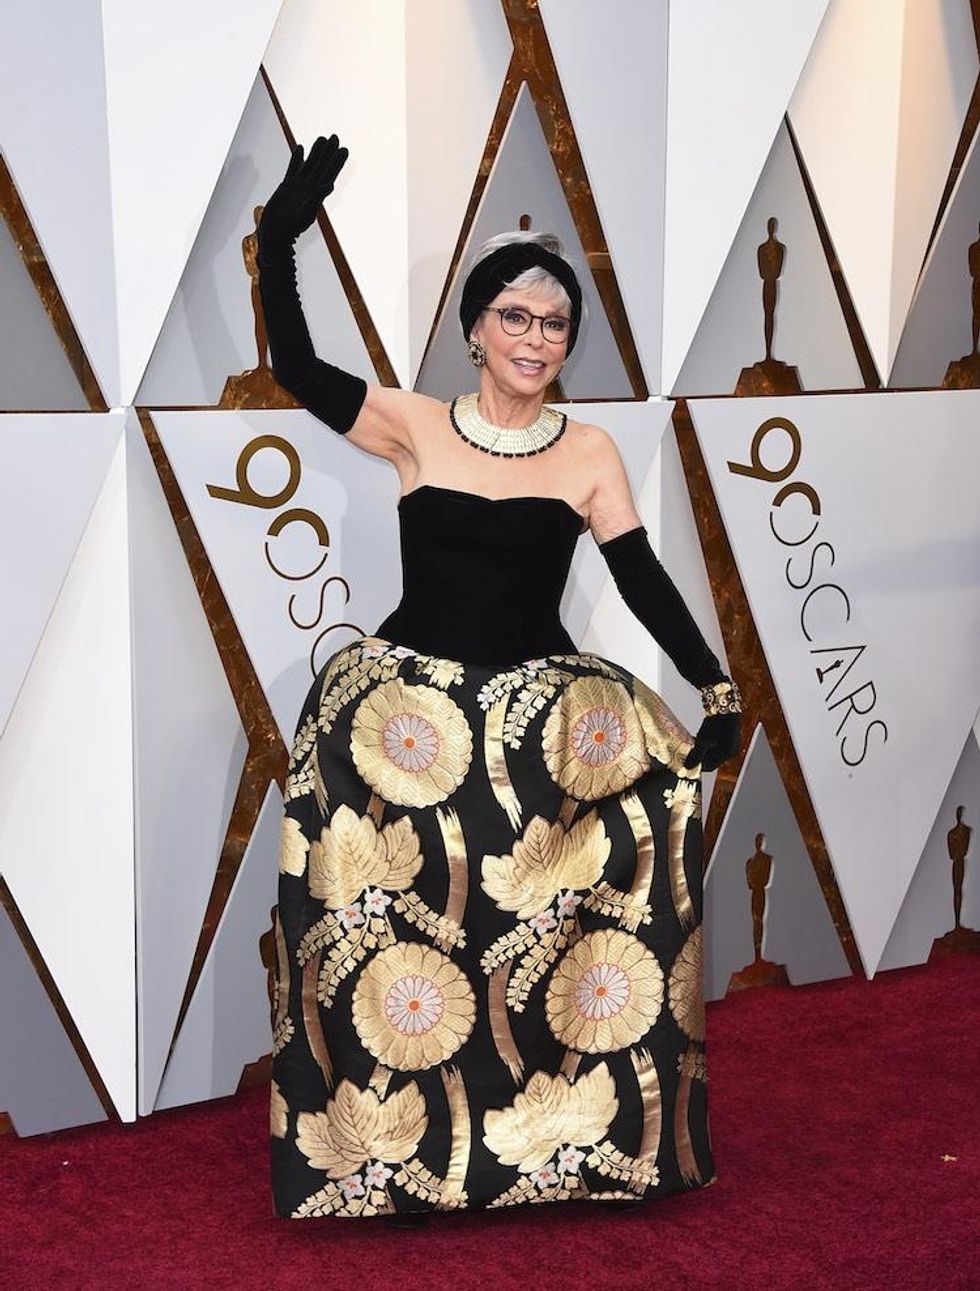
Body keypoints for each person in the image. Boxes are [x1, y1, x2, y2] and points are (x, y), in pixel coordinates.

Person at [259, 135, 741, 1222]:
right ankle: (372, 1160)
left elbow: (642, 577)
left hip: (532, 732)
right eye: (515, 317)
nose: (535, 337)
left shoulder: (588, 454)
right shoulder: (412, 424)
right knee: (387, 949)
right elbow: (293, 361)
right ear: (476, 329)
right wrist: (280, 235)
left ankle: (552, 1150)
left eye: (555, 322)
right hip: (408, 724)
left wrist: (712, 687)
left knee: (537, 952)